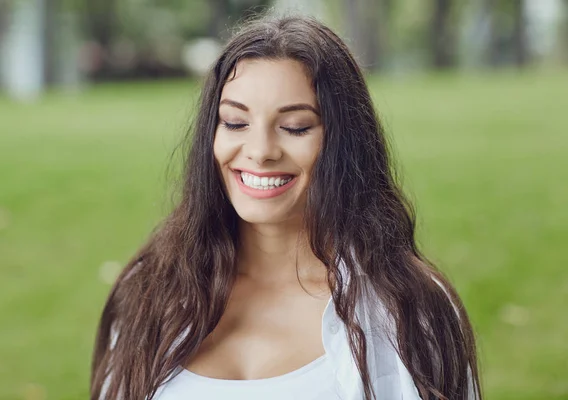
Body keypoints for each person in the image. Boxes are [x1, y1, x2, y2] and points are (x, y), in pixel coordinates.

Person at [90, 14, 481, 400]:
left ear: (343, 142)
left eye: (295, 127)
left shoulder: (406, 308)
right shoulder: (150, 288)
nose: (260, 152)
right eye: (235, 122)